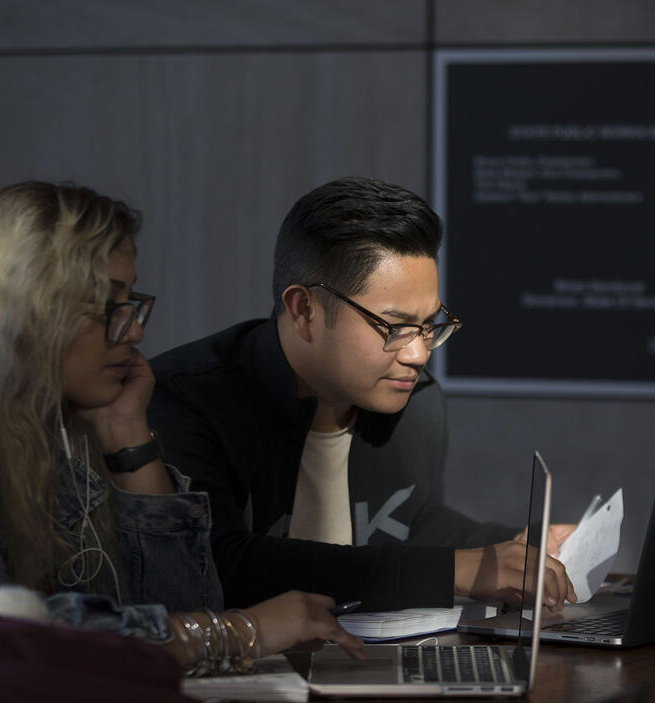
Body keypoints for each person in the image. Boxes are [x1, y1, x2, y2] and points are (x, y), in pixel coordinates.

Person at [0, 180, 363, 671]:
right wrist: (240, 632)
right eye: (107, 305)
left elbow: (182, 614)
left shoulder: (56, 423)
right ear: (25, 310)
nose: (133, 332)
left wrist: (128, 440)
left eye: (131, 303)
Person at [149, 176, 576, 611]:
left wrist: (505, 546)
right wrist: (453, 570)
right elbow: (221, 566)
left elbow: (410, 520)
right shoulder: (186, 400)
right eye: (394, 327)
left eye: (429, 325)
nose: (418, 353)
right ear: (304, 310)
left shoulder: (417, 402)